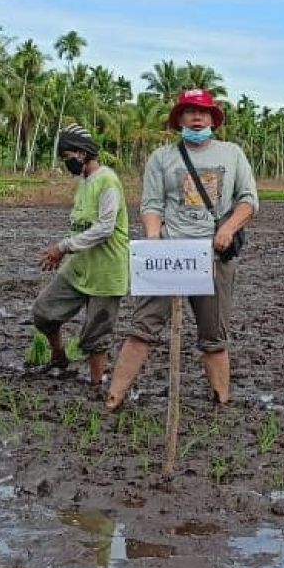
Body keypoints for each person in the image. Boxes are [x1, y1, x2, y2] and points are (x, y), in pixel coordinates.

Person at [103, 89, 258, 411]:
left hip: (214, 256)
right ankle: (113, 398)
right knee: (141, 329)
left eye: (203, 112)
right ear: (179, 119)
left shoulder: (232, 154)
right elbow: (151, 205)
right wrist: (153, 237)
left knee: (214, 338)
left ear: (214, 119)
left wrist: (228, 229)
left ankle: (221, 401)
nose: (197, 118)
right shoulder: (162, 157)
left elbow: (248, 201)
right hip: (170, 258)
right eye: (189, 112)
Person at [30, 124, 129, 391]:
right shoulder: (84, 182)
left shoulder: (108, 180)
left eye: (67, 157)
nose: (66, 163)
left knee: (96, 334)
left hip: (106, 270)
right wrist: (66, 252)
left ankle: (98, 384)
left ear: (82, 153)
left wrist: (63, 247)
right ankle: (59, 356)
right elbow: (80, 225)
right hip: (79, 266)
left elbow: (105, 228)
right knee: (43, 312)